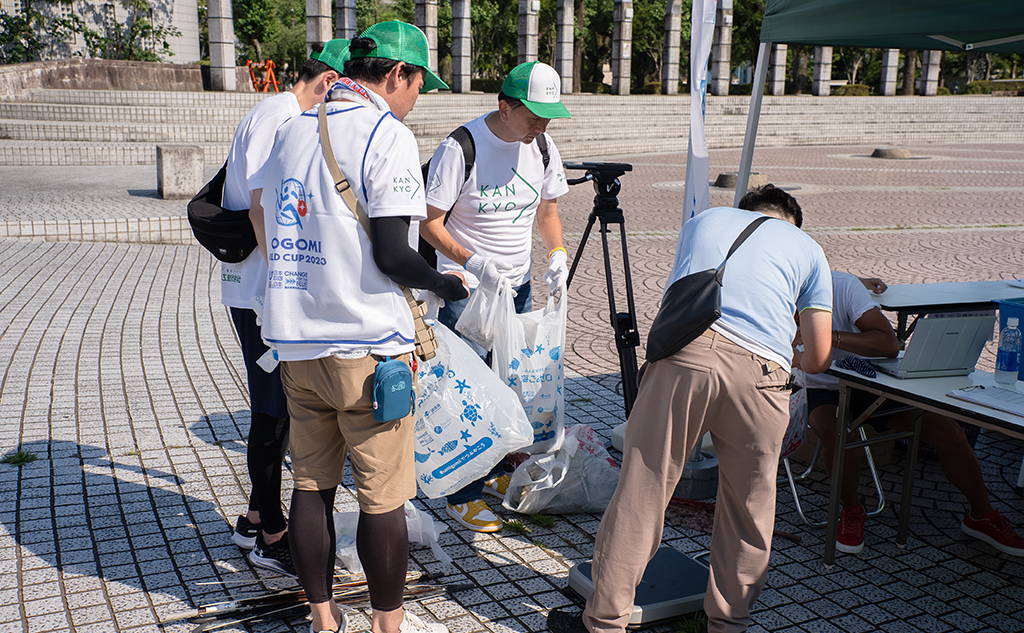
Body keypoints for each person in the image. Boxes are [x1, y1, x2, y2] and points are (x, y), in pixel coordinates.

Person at [253, 22, 465, 633]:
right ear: (397, 73)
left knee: (313, 484)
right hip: (369, 350)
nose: (417, 95)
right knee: (384, 498)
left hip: (296, 343)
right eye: (419, 81)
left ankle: (323, 618)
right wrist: (447, 282)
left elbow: (265, 212)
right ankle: (386, 625)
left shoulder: (293, 128)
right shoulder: (387, 134)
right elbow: (395, 256)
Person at [548, 184, 834, 633]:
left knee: (643, 494)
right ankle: (727, 625)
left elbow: (678, 300)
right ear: (790, 222)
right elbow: (818, 357)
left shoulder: (705, 222)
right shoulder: (809, 249)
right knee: (749, 511)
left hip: (688, 359)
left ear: (747, 211)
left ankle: (604, 623)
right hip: (764, 376)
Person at [421, 61, 571, 533]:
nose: (542, 125)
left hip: (517, 287)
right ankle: (459, 494)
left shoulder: (542, 146)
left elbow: (546, 210)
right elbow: (429, 222)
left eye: (549, 115)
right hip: (467, 290)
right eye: (533, 115)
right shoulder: (460, 147)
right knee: (465, 391)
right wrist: (472, 263)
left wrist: (558, 254)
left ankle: (490, 468)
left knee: (508, 382)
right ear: (504, 107)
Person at [221, 38, 349, 577]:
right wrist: (287, 282)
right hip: (260, 290)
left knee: (275, 408)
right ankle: (272, 532)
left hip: (261, 286)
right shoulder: (279, 117)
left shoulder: (279, 112)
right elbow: (258, 210)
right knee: (272, 413)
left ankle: (255, 514)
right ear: (326, 84)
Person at [801, 270, 1024, 556]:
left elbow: (889, 345)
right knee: (836, 433)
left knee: (951, 435)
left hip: (863, 376)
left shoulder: (841, 286)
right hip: (811, 383)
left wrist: (828, 337)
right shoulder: (770, 291)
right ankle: (852, 510)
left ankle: (981, 517)